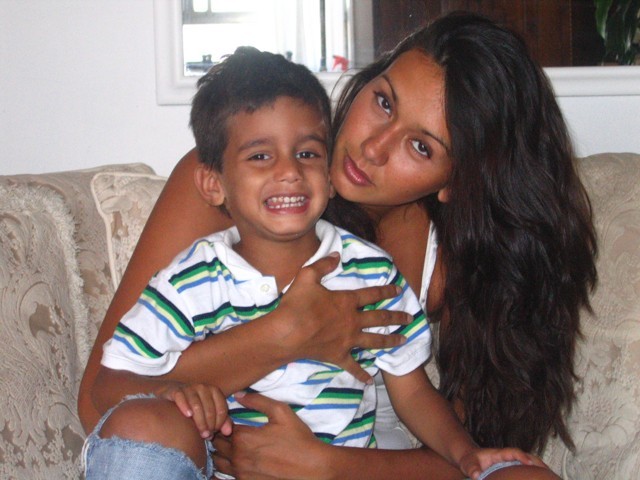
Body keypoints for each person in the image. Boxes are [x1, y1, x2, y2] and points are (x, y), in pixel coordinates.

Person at [79, 11, 597, 480]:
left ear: (457, 180)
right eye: (384, 102)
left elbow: (467, 452)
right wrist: (285, 334)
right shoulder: (233, 186)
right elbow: (102, 404)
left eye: (420, 146)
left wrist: (324, 465)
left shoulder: (447, 262)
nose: (373, 147)